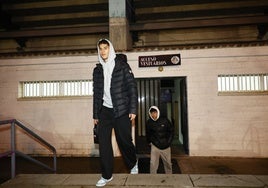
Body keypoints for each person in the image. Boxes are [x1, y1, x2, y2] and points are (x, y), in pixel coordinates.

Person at [93, 39, 138, 187]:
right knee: (104, 143)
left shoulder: (122, 66)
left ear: (110, 49)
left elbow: (132, 88)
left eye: (105, 48)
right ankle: (106, 175)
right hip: (104, 111)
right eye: (100, 49)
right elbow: (96, 94)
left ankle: (133, 163)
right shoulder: (97, 70)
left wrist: (133, 109)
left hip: (121, 109)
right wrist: (95, 114)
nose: (103, 51)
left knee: (124, 141)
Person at [146, 106, 174, 174]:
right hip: (155, 146)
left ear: (158, 112)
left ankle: (169, 177)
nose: (153, 115)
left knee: (168, 164)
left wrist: (168, 142)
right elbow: (148, 133)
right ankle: (153, 178)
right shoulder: (149, 122)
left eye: (155, 112)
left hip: (166, 146)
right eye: (152, 113)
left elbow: (171, 131)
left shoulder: (165, 120)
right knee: (153, 164)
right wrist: (150, 142)